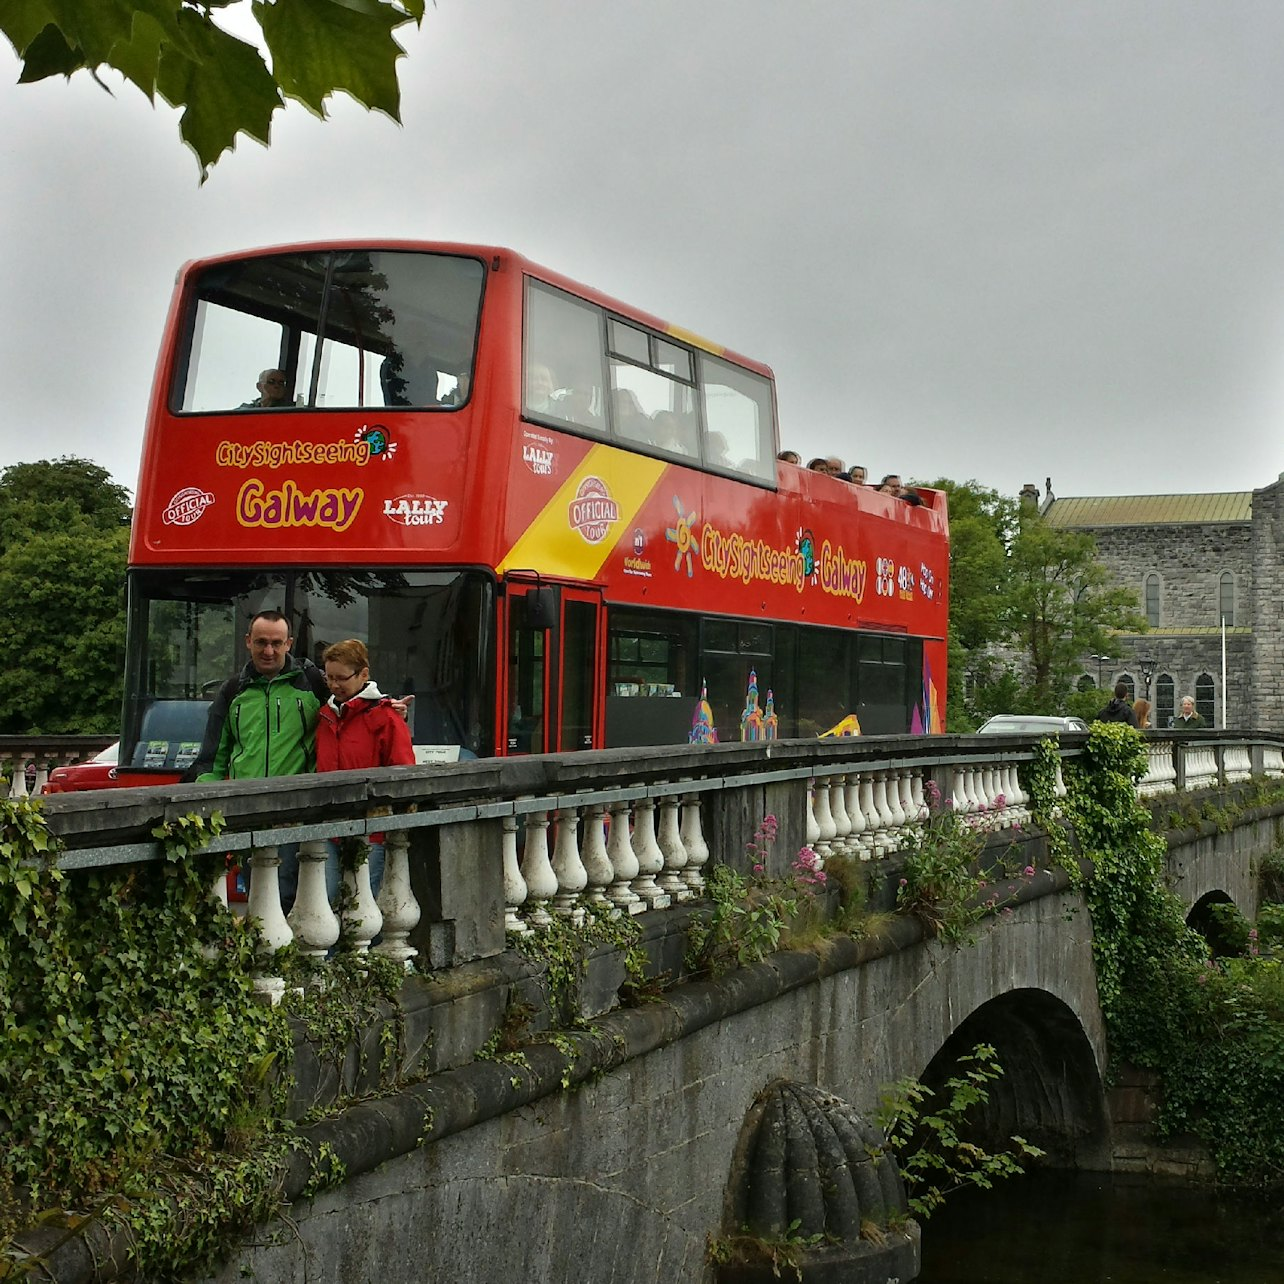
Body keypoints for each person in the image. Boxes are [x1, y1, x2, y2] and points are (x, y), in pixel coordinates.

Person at [193, 610, 329, 906]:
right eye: (261, 642)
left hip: (297, 809)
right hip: (248, 811)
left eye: (277, 643)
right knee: (260, 896)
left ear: (289, 643)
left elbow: (353, 700)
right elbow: (213, 758)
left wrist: (389, 709)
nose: (269, 651)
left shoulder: (311, 684)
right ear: (248, 642)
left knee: (290, 895)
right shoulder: (232, 691)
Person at [316, 639, 415, 900]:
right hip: (329, 827)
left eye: (341, 678)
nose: (335, 685)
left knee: (362, 903)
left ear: (363, 675)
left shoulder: (387, 717)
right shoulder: (325, 715)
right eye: (329, 678)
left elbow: (403, 773)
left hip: (371, 830)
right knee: (325, 902)